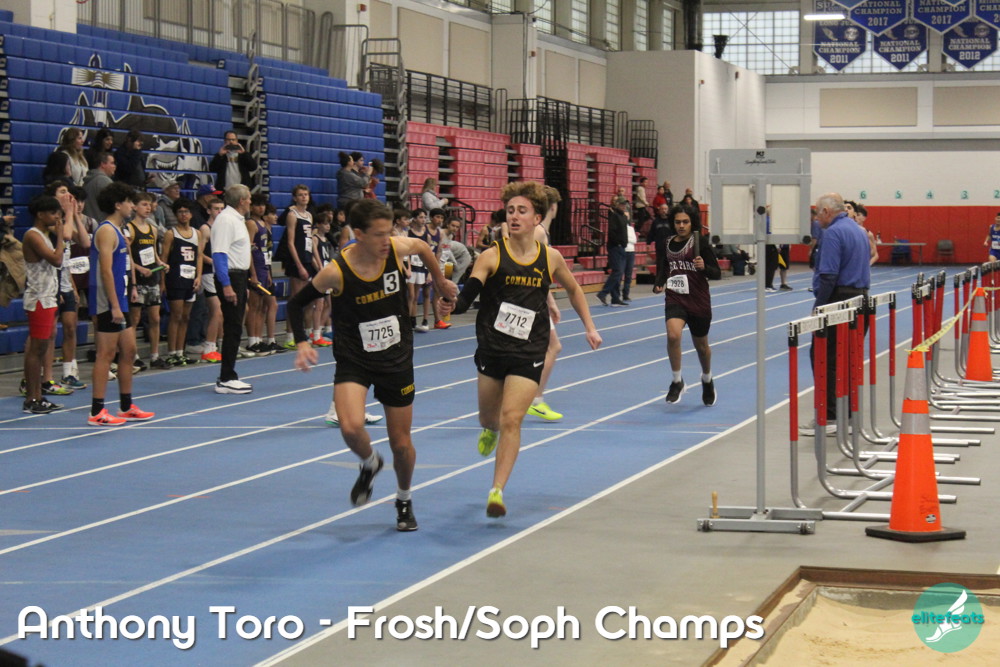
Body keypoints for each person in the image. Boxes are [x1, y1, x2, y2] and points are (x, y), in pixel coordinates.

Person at [289, 199, 457, 531]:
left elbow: (422, 247)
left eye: (389, 232)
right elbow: (296, 304)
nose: (386, 240)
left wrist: (439, 280)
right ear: (359, 234)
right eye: (379, 234)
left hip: (396, 358)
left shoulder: (395, 249)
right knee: (351, 427)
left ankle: (404, 499)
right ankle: (370, 462)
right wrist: (302, 342)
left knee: (401, 444)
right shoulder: (337, 271)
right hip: (355, 358)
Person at [439, 181, 602, 518]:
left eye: (521, 211)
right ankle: (489, 429)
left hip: (529, 349)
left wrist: (590, 326)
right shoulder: (492, 255)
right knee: (490, 418)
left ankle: (497, 490)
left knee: (512, 418)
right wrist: (451, 305)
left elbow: (574, 289)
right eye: (510, 211)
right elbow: (468, 296)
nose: (513, 216)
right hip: (493, 347)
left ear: (536, 218)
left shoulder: (550, 257)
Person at [800, 193, 872, 436]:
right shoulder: (859, 230)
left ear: (826, 212)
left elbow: (828, 275)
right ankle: (848, 415)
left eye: (817, 214)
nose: (816, 219)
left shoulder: (832, 233)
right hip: (860, 298)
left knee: (824, 357)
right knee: (848, 359)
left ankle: (829, 416)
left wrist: (819, 307)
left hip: (839, 300)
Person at [88, 182, 155, 426]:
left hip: (121, 297)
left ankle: (126, 406)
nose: (132, 206)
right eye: (129, 202)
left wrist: (130, 289)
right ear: (118, 205)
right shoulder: (106, 231)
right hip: (107, 300)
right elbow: (105, 271)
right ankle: (97, 411)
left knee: (128, 351)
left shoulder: (119, 231)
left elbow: (120, 267)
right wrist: (114, 305)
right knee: (106, 354)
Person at [652, 204, 720, 406]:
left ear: (692, 223)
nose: (681, 226)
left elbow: (716, 272)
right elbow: (664, 267)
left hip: (698, 300)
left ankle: (707, 378)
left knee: (702, 347)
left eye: (685, 222)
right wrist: (659, 282)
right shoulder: (667, 243)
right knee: (673, 335)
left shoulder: (700, 242)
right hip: (675, 298)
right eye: (677, 222)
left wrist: (704, 267)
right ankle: (677, 381)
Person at [21, 195, 65, 414]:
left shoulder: (44, 235)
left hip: (48, 297)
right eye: (53, 213)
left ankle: (38, 396)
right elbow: (56, 260)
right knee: (36, 350)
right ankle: (31, 398)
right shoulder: (33, 235)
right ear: (40, 214)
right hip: (39, 298)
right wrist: (61, 236)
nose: (57, 217)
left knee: (42, 349)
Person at [526, 185, 565, 422]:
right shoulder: (539, 232)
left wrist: (550, 301)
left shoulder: (542, 232)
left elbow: (541, 272)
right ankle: (536, 400)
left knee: (535, 348)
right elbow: (531, 267)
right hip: (530, 299)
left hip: (536, 297)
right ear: (553, 207)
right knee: (553, 347)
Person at [211, 184, 254, 394]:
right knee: (233, 326)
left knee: (236, 326)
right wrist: (227, 284)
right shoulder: (226, 220)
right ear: (241, 201)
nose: (251, 202)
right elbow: (219, 254)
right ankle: (226, 377)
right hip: (231, 277)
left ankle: (228, 374)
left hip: (239, 277)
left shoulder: (237, 219)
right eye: (249, 198)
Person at [125, 192, 169, 370]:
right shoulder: (130, 229)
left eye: (149, 205)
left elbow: (154, 253)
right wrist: (138, 268)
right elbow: (127, 256)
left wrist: (161, 263)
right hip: (138, 279)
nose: (148, 208)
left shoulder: (153, 229)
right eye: (144, 204)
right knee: (135, 318)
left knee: (155, 318)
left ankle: (155, 355)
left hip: (152, 278)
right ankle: (133, 355)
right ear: (135, 207)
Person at [596, 195, 629, 307]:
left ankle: (615, 297)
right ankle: (603, 293)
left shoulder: (623, 217)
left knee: (619, 273)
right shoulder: (615, 216)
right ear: (617, 205)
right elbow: (612, 232)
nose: (624, 206)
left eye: (625, 204)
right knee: (617, 271)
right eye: (622, 204)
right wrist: (619, 242)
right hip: (615, 247)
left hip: (621, 247)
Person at [82, 153, 116, 220]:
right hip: (101, 222)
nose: (114, 166)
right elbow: (113, 206)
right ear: (103, 164)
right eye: (112, 163)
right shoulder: (104, 181)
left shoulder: (89, 179)